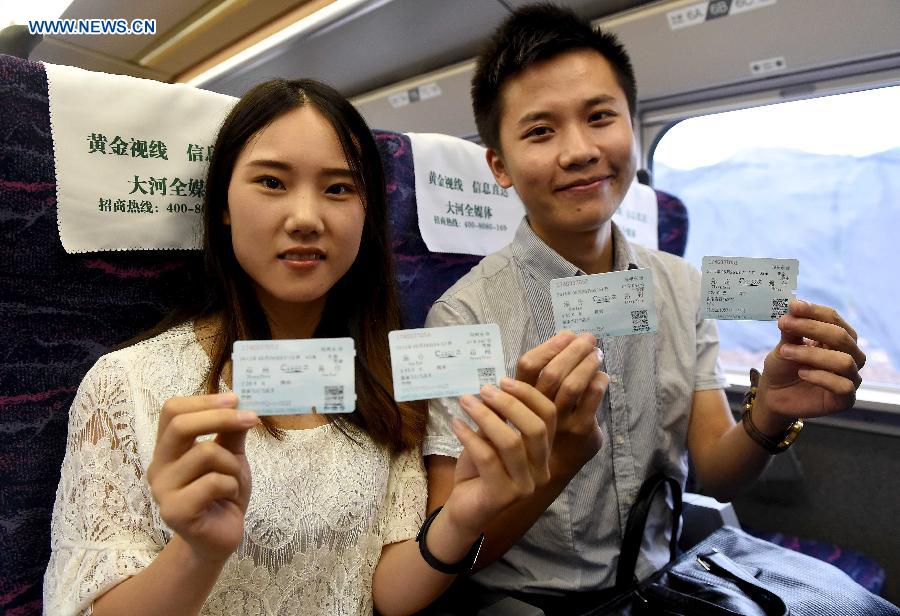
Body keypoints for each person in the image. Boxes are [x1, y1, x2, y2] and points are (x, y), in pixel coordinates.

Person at [43, 78, 559, 616]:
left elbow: (388, 591)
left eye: (338, 189)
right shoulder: (127, 384)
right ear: (222, 202)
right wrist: (197, 551)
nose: (307, 218)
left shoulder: (379, 376)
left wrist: (466, 514)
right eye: (271, 182)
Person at [424, 3, 866, 611]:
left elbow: (715, 469)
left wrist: (768, 419)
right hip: (524, 600)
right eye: (539, 131)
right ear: (498, 164)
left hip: (661, 582)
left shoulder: (681, 286)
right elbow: (446, 549)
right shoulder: (458, 316)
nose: (579, 151)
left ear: (632, 129)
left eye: (600, 117)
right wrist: (556, 462)